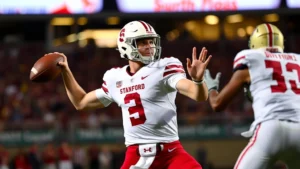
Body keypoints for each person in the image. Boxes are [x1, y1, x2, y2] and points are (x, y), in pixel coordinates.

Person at [48, 20, 211, 169]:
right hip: (136, 157)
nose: (149, 46)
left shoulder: (164, 67)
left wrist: (198, 80)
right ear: (127, 45)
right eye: (142, 42)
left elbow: (198, 95)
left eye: (151, 41)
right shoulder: (115, 78)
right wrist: (66, 71)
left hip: (170, 153)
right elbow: (81, 102)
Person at [204, 23, 300, 169]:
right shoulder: (297, 59)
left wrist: (211, 88)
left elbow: (217, 104)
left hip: (271, 128)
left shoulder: (252, 57)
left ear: (254, 43)